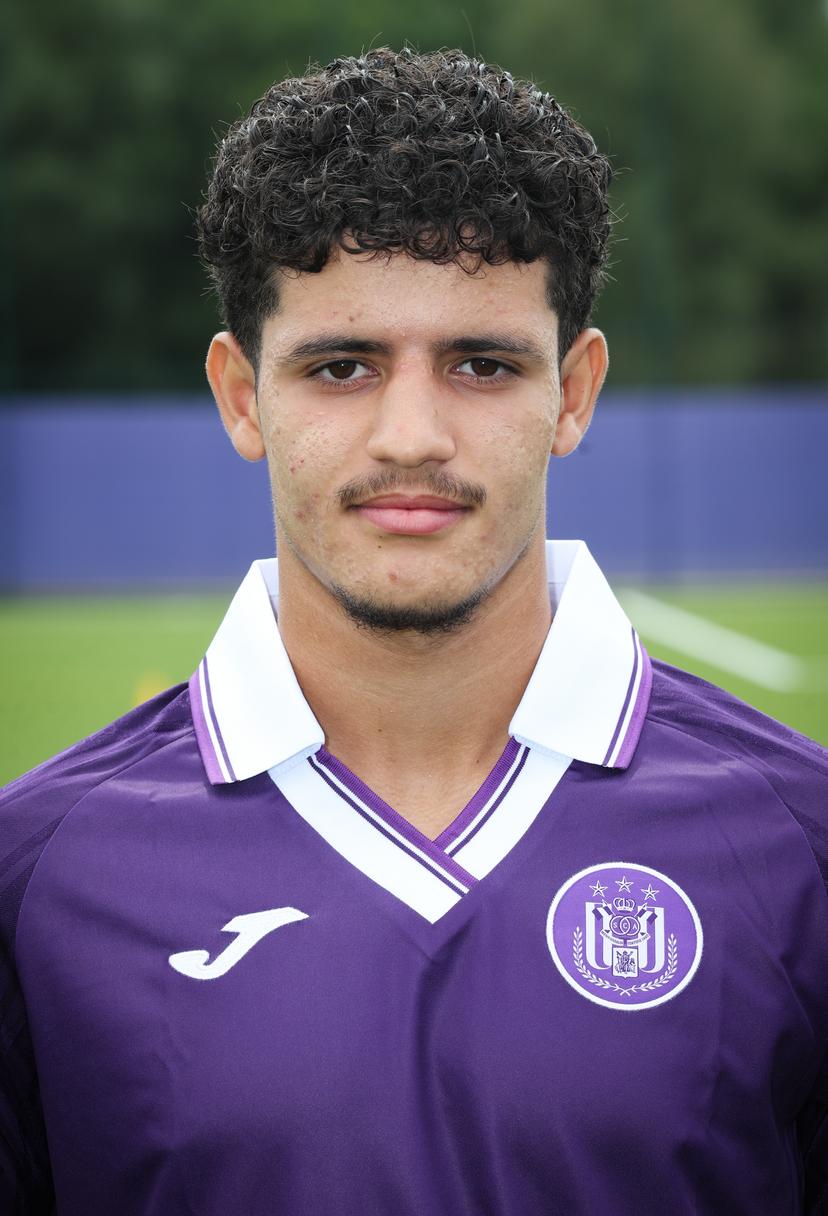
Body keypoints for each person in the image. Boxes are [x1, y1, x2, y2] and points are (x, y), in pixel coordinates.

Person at [1, 46, 826, 1216]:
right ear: (242, 396)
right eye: (341, 366)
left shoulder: (800, 846)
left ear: (574, 392)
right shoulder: (36, 880)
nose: (411, 436)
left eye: (481, 364)